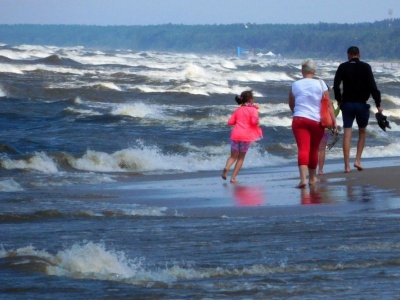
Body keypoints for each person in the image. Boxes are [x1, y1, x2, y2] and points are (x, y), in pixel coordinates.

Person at [333, 46, 383, 173]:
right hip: (361, 104)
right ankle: (357, 161)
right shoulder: (366, 67)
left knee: (347, 134)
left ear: (348, 55)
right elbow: (373, 86)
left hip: (347, 104)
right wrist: (378, 104)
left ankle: (347, 166)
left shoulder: (342, 67)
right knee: (362, 133)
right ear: (359, 54)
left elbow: (336, 85)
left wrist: (339, 100)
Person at [289, 59, 337, 188]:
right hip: (316, 121)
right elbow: (328, 105)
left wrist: (298, 113)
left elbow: (291, 105)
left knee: (303, 149)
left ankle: (302, 179)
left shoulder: (295, 85)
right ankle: (312, 178)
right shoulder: (321, 84)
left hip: (299, 119)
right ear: (314, 71)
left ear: (302, 71)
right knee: (314, 149)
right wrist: (334, 121)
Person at [221, 90, 263, 183]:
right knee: (241, 158)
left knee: (233, 156)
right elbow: (254, 121)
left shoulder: (238, 110)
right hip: (246, 136)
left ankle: (226, 167)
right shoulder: (253, 110)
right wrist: (257, 122)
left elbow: (230, 122)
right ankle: (233, 178)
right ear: (251, 99)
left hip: (235, 135)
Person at [318, 100, 341, 175]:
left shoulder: (314, 101)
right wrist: (334, 123)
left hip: (315, 127)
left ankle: (312, 169)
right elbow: (331, 112)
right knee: (322, 150)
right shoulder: (327, 102)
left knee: (314, 149)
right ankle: (320, 170)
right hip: (326, 129)